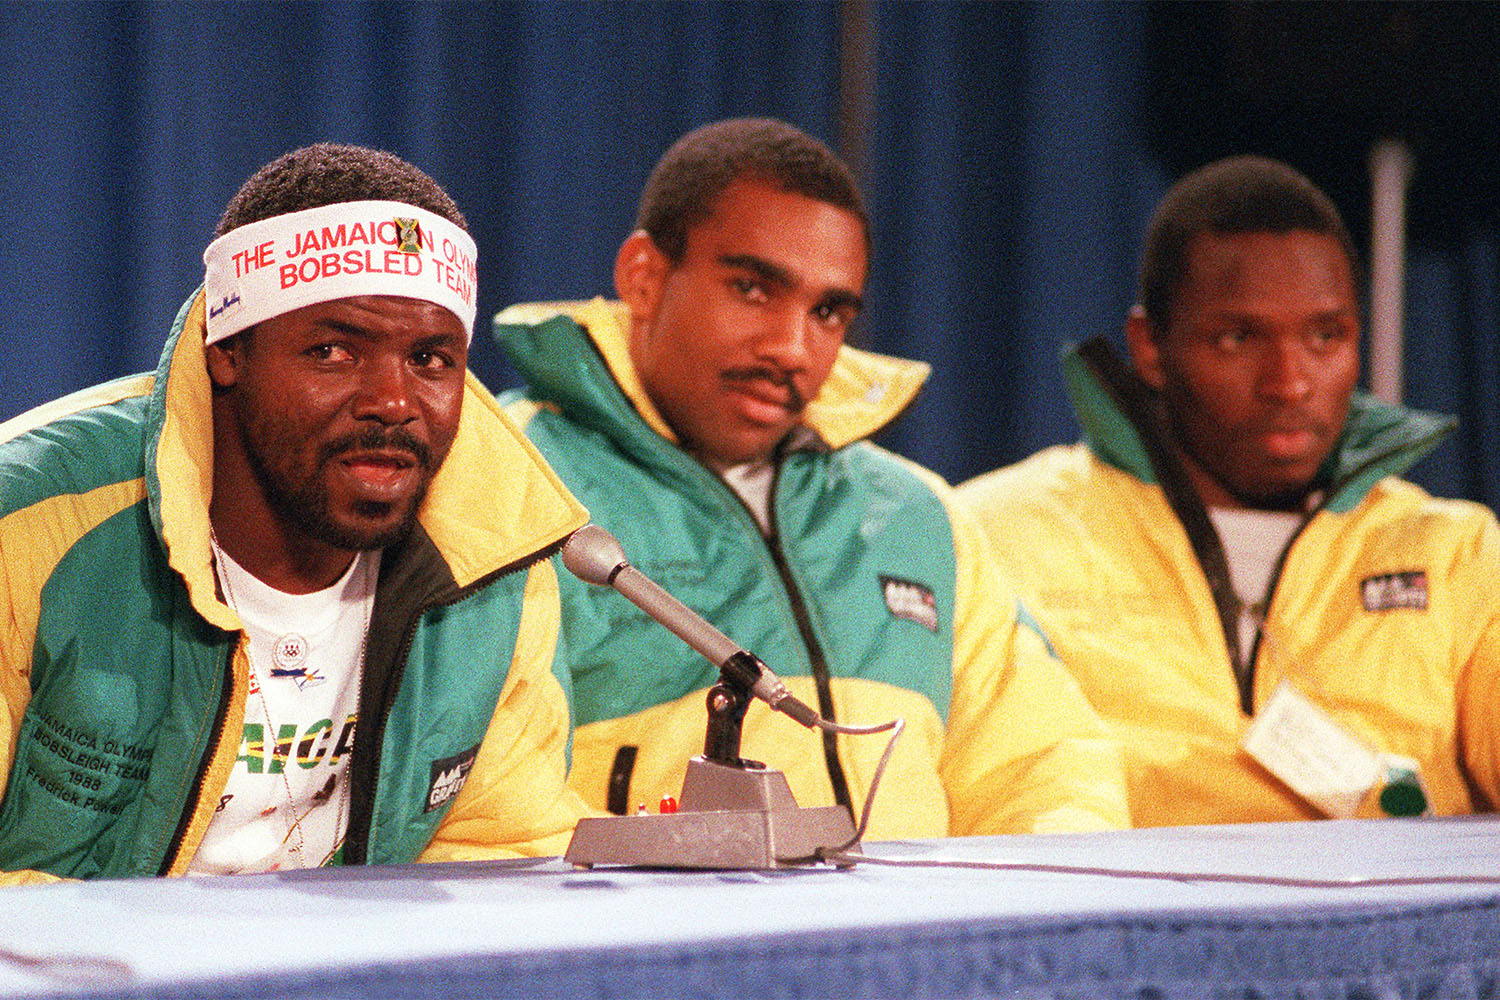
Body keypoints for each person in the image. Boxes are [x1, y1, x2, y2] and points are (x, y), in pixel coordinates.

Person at [493, 118, 1127, 840]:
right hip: (648, 951)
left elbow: (1046, 769)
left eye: (828, 311)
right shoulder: (518, 487)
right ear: (644, 276)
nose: (792, 348)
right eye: (753, 289)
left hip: (917, 952)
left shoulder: (916, 514)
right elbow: (491, 813)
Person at [0, 143, 590, 883]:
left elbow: (503, 861)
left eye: (432, 359)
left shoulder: (495, 561)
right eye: (334, 351)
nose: (394, 402)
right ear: (228, 351)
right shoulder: (26, 521)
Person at [959, 155, 1500, 826]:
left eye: (1326, 335)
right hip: (1126, 928)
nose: (1290, 381)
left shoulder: (1456, 552)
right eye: (1240, 337)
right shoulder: (993, 534)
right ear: (1151, 347)